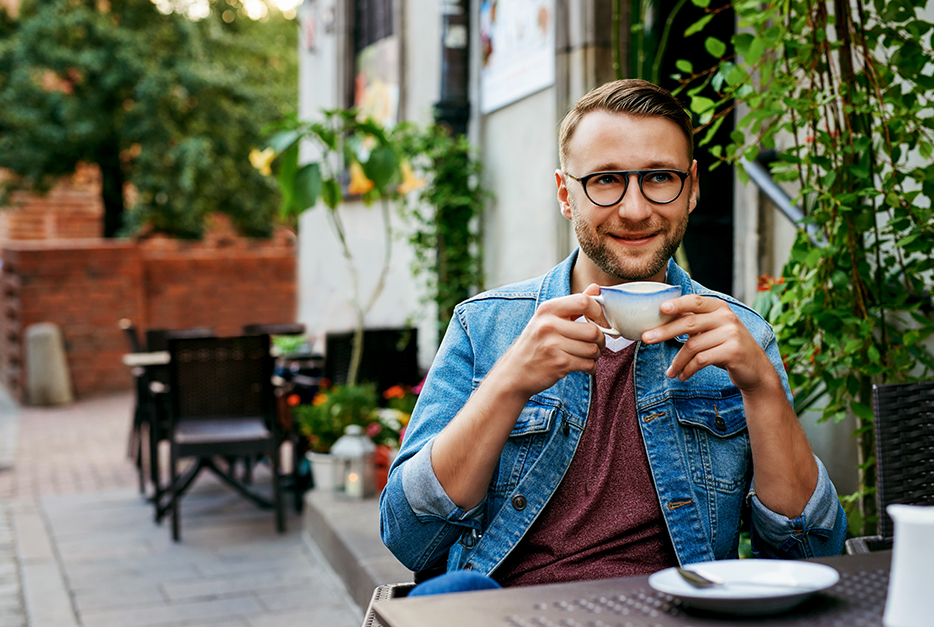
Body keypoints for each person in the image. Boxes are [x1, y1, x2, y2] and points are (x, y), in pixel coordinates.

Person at [379, 79, 846, 594]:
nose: (635, 209)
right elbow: (409, 537)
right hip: (510, 611)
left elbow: (810, 550)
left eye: (660, 178)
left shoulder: (741, 336)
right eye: (605, 180)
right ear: (565, 194)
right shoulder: (486, 326)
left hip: (679, 608)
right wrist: (508, 383)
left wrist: (763, 391)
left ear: (691, 188)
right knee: (449, 596)